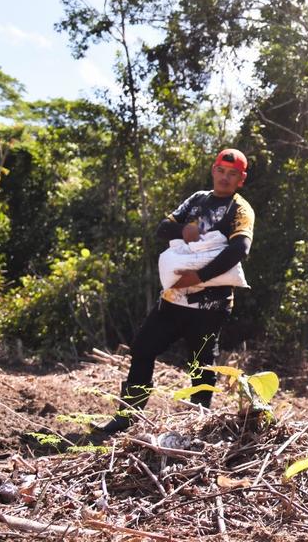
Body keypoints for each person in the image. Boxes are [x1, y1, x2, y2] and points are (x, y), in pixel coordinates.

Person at [97, 148, 256, 435]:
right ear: (213, 170)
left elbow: (239, 249)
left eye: (232, 174)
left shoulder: (240, 209)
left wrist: (199, 276)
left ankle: (200, 427)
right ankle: (126, 418)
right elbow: (162, 229)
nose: (225, 177)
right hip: (172, 301)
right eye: (221, 170)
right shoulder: (197, 199)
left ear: (240, 179)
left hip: (210, 307)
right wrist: (183, 230)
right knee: (143, 348)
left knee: (202, 366)